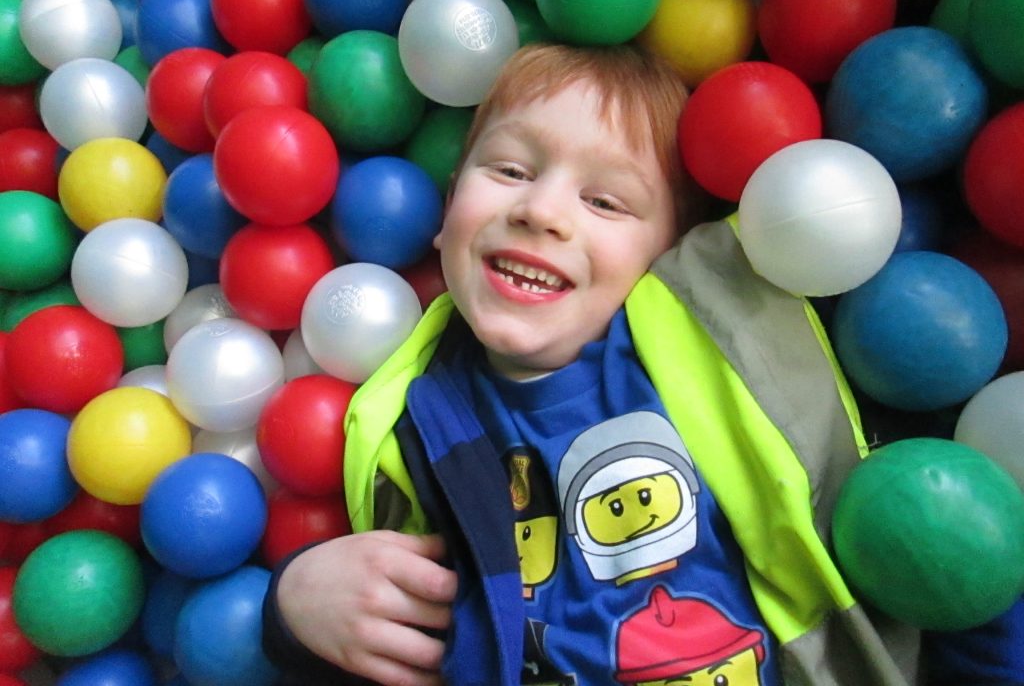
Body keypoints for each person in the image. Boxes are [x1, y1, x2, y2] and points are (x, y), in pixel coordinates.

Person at [262, 42, 1023, 686]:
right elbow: (391, 628)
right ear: (445, 211)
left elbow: (940, 551)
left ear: (663, 254)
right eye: (510, 171)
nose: (541, 210)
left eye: (606, 202)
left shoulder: (728, 339)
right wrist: (293, 608)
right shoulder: (413, 419)